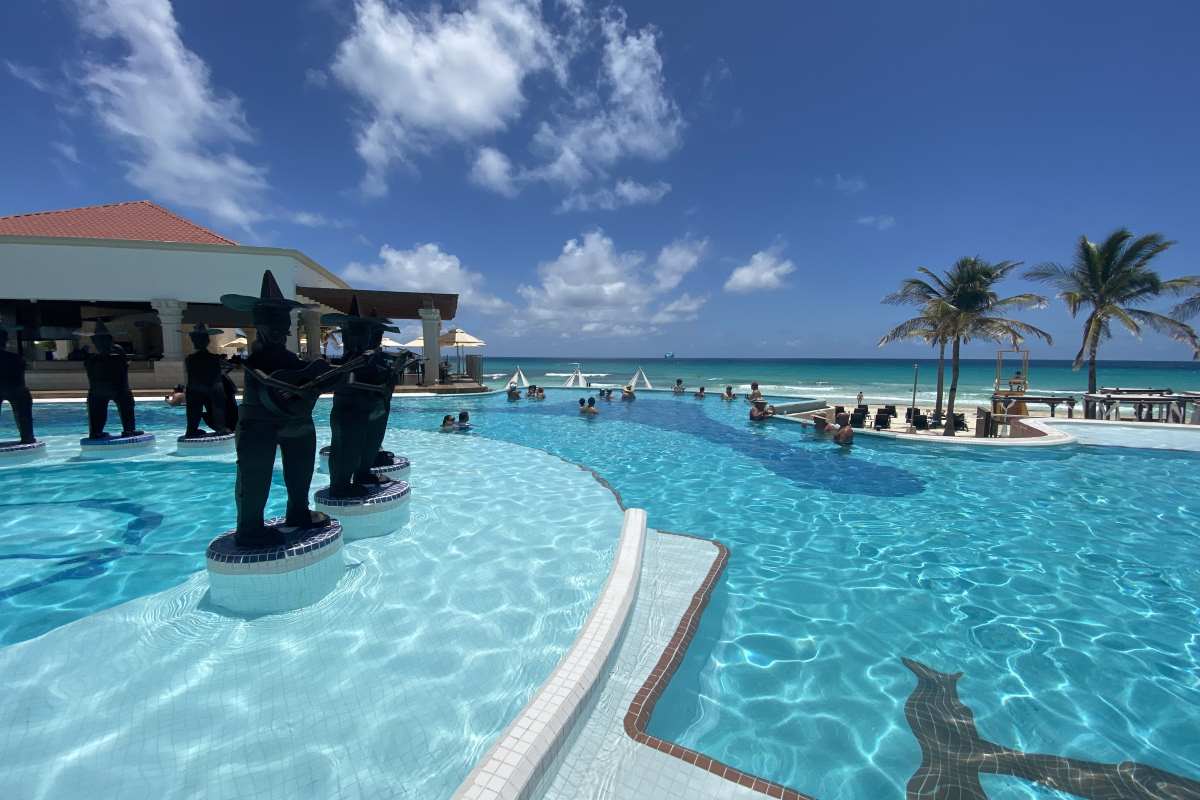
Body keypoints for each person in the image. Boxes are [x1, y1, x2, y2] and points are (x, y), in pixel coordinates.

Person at [0, 325, 36, 444]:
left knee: (21, 395)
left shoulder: (15, 358)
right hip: (16, 389)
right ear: (5, 342)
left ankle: (28, 437)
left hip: (14, 388)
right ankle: (27, 437)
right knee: (22, 401)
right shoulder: (16, 358)